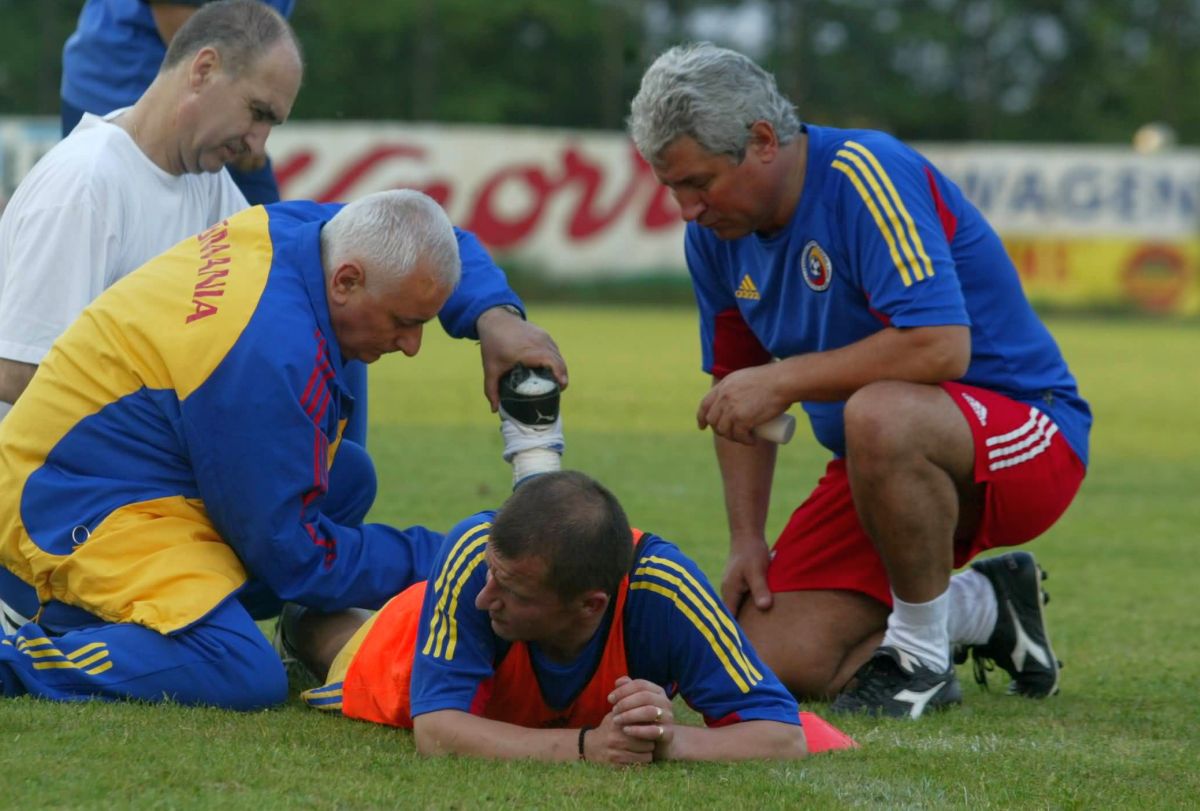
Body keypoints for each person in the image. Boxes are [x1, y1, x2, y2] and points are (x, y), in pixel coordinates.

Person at [627, 43, 1091, 718]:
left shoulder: (864, 173)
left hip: (1028, 431)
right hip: (880, 462)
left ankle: (920, 659)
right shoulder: (715, 239)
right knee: (773, 658)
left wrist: (786, 378)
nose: (687, 209)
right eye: (672, 188)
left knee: (879, 412)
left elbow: (940, 345)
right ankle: (984, 607)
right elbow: (739, 395)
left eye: (699, 183)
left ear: (762, 141)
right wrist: (746, 540)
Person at [0, 189, 527, 710]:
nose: (412, 346)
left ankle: (262, 620)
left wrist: (496, 316)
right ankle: (26, 645)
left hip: (125, 472)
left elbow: (438, 238)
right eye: (404, 322)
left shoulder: (296, 232)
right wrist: (455, 557)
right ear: (346, 281)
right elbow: (296, 559)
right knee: (239, 668)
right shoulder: (269, 356)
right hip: (63, 508)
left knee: (346, 477)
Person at [287, 471, 857, 763]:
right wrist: (588, 748)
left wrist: (667, 740)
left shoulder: (665, 589)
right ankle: (297, 621)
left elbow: (781, 735)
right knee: (329, 639)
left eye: (513, 590)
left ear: (591, 604)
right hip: (404, 636)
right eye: (492, 574)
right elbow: (437, 733)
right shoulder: (474, 556)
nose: (486, 598)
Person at [0, 0, 301, 422]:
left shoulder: (205, 178)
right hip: (48, 458)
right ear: (203, 70)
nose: (259, 144)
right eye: (257, 113)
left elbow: (267, 299)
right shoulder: (86, 184)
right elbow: (21, 375)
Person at [60, 0, 294, 205]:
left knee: (259, 223)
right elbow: (185, 28)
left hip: (219, 96)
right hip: (122, 85)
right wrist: (240, 118)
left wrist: (249, 117)